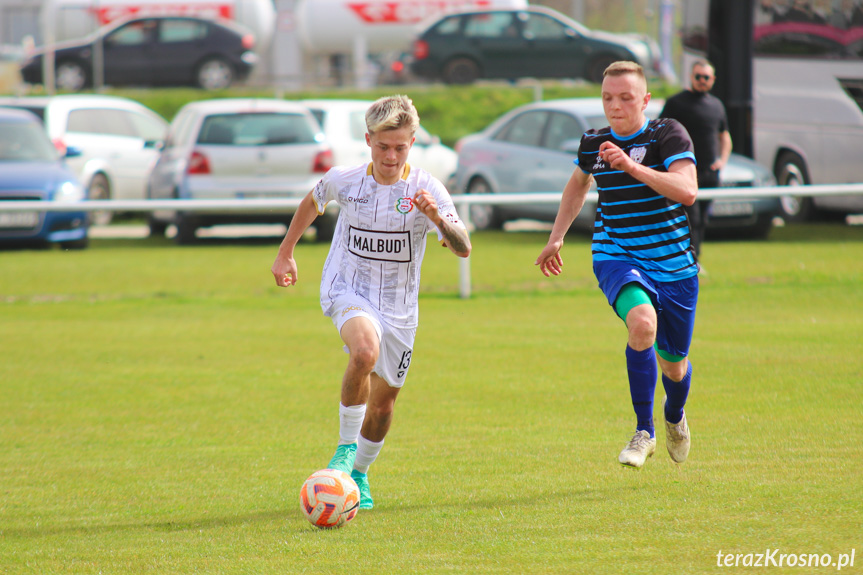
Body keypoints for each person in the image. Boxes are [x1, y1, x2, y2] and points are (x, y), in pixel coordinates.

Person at [271, 95, 471, 508]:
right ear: (368, 140)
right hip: (348, 288)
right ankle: (345, 449)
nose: (391, 156)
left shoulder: (427, 189)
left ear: (412, 143)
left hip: (400, 309)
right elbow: (314, 200)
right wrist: (286, 251)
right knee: (363, 352)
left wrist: (435, 219)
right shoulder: (346, 179)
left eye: (400, 147)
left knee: (383, 406)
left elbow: (463, 247)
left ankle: (358, 475)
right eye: (383, 147)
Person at [535, 61, 699, 469]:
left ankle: (675, 416)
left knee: (674, 367)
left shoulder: (667, 134)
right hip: (616, 254)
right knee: (642, 324)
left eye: (626, 98)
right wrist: (557, 237)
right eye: (608, 98)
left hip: (674, 265)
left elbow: (687, 191)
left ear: (645, 99)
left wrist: (631, 166)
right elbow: (578, 184)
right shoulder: (593, 143)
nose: (615, 106)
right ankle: (645, 431)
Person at [660, 59, 732, 259]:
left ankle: (694, 259)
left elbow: (724, 136)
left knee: (702, 220)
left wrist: (722, 161)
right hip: (685, 172)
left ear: (713, 80)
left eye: (706, 77)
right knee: (690, 218)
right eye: (698, 76)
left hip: (710, 173)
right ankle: (689, 260)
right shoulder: (676, 103)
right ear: (691, 77)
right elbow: (660, 132)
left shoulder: (717, 105)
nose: (702, 80)